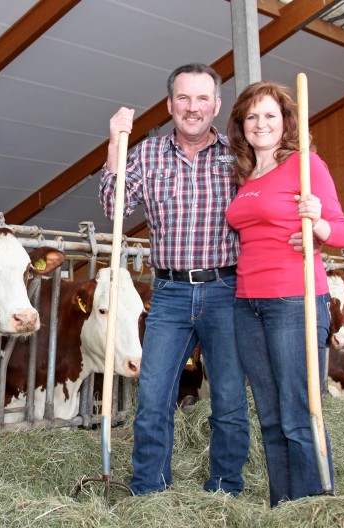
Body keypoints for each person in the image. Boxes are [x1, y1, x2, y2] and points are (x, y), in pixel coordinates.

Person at [98, 63, 250, 496]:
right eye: (183, 98)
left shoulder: (237, 155)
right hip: (169, 292)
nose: (192, 107)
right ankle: (149, 490)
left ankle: (225, 489)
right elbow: (114, 207)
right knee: (153, 397)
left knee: (229, 399)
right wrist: (115, 143)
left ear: (217, 105)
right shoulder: (145, 153)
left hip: (226, 289)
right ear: (169, 105)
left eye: (203, 98)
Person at [225, 81, 344, 507]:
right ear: (242, 124)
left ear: (285, 123)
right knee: (271, 415)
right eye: (253, 116)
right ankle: (284, 507)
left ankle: (315, 508)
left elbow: (343, 231)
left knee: (299, 413)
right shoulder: (245, 176)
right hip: (248, 304)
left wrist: (317, 227)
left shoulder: (305, 165)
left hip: (294, 300)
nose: (261, 124)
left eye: (270, 116)